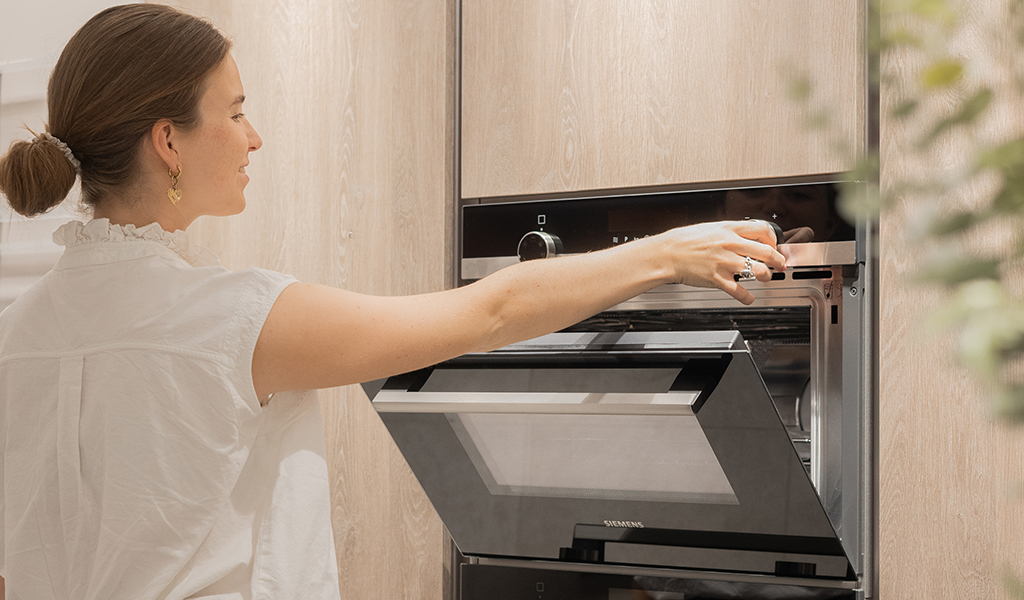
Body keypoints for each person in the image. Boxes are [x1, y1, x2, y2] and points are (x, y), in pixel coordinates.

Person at [0, 4, 785, 600]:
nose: (254, 137)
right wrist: (664, 253)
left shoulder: (14, 335)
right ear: (168, 141)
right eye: (235, 112)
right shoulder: (234, 321)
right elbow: (491, 313)